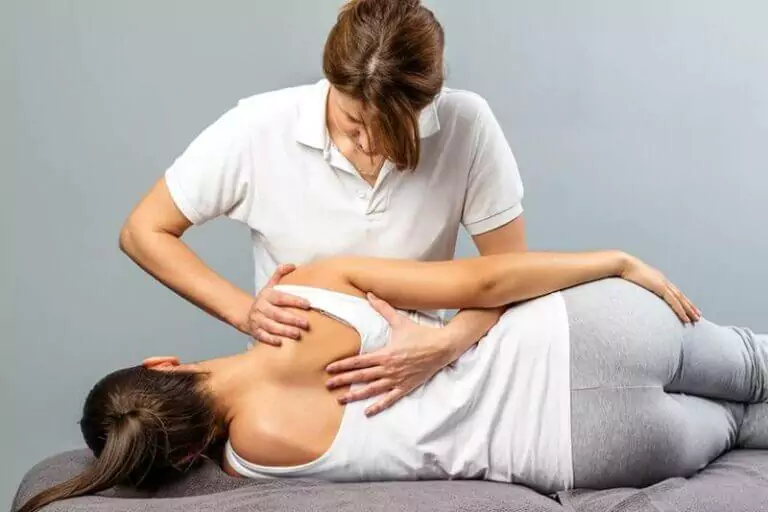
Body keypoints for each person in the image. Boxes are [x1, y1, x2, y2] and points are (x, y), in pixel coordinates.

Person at [18, 250, 768, 512]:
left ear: (180, 459)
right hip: (587, 333)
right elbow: (488, 277)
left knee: (745, 428)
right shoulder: (308, 289)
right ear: (162, 365)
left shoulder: (254, 461)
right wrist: (618, 262)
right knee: (757, 365)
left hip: (587, 448)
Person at [119, 0, 537, 418]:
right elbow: (143, 231)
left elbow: (509, 273)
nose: (370, 143)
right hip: (295, 392)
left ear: (428, 102)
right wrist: (244, 312)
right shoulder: (260, 127)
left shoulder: (467, 124)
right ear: (330, 81)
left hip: (420, 383)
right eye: (353, 122)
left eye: (393, 127)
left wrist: (444, 346)